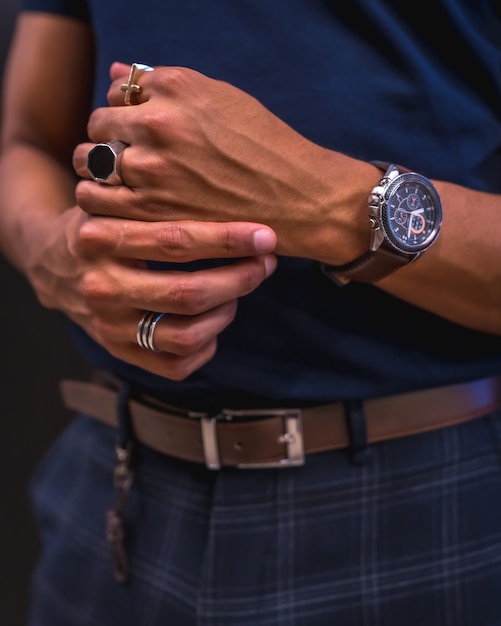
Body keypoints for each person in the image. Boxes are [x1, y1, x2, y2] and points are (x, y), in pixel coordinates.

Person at [1, 0, 501, 624]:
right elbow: (24, 141)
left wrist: (332, 204)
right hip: (115, 497)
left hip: (426, 505)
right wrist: (47, 247)